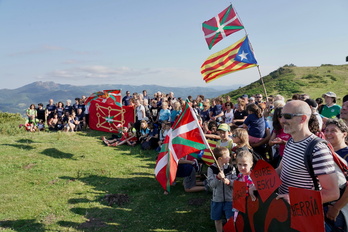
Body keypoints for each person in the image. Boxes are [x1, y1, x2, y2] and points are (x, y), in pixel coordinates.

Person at [276, 100, 339, 220]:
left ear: (303, 119)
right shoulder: (291, 141)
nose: (282, 120)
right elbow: (280, 170)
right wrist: (259, 185)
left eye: (287, 116)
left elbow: (332, 193)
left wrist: (295, 199)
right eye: (281, 116)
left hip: (303, 217)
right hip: (285, 214)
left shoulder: (317, 149)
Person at [324, 119, 348, 231]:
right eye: (326, 130)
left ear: (344, 134)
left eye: (333, 130)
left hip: (340, 209)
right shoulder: (324, 152)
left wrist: (336, 208)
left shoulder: (346, 154)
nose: (328, 133)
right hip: (323, 205)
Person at [206, 147, 237, 232]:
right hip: (217, 199)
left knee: (230, 219)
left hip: (229, 199)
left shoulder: (231, 168)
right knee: (217, 219)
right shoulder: (211, 169)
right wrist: (218, 177)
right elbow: (211, 185)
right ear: (220, 158)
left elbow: (235, 183)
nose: (230, 157)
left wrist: (228, 182)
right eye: (227, 156)